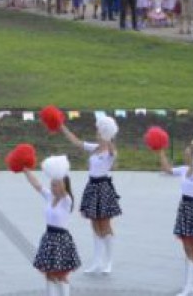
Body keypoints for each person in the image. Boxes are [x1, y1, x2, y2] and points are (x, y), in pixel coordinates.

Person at [59, 117, 121, 274]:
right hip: (92, 187)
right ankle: (97, 261)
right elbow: (76, 142)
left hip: (104, 187)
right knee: (94, 224)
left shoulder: (110, 151)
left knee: (105, 225)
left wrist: (109, 137)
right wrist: (61, 126)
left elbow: (113, 153)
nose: (97, 134)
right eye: (98, 132)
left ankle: (109, 262)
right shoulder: (94, 148)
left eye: (100, 132)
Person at [21, 161, 80, 296]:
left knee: (61, 275)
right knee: (49, 274)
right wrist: (25, 170)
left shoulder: (67, 200)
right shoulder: (49, 196)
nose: (52, 187)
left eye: (56, 184)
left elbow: (64, 190)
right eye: (52, 184)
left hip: (61, 240)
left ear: (62, 185)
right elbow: (36, 184)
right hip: (49, 238)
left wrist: (59, 172)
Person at [158, 145, 193, 296]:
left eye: (188, 153)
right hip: (185, 209)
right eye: (185, 153)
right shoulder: (183, 169)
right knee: (187, 248)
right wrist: (161, 152)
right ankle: (188, 286)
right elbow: (168, 169)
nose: (185, 155)